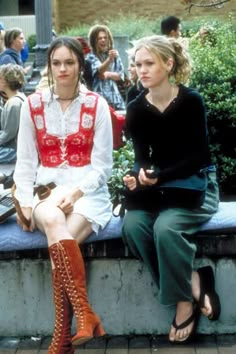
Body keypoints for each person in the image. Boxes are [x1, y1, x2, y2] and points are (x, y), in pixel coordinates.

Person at [13, 36, 113, 353]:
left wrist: (76, 191)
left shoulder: (97, 105)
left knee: (60, 250)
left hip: (89, 192)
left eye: (69, 62)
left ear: (80, 66)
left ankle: (61, 337)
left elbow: (103, 167)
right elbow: (26, 161)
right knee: (55, 220)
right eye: (56, 62)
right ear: (49, 65)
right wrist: (26, 204)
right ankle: (85, 314)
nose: (62, 69)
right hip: (46, 191)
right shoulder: (32, 105)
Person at [122, 35, 221, 344]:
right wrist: (139, 175)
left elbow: (199, 157)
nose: (142, 70)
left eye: (149, 63)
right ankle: (193, 280)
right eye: (138, 64)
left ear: (169, 63)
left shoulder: (191, 101)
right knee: (134, 227)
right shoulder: (136, 106)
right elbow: (140, 154)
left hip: (195, 184)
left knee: (166, 229)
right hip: (160, 187)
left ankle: (182, 303)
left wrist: (160, 175)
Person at [86, 24, 125, 110]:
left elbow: (120, 75)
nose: (103, 40)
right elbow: (99, 71)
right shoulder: (90, 57)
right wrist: (109, 60)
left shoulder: (114, 55)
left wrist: (107, 74)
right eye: (99, 38)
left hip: (115, 100)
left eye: (105, 38)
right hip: (98, 100)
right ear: (94, 41)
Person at [0, 64, 26, 164]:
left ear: (6, 82)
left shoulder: (14, 104)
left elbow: (8, 134)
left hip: (14, 149)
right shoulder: (16, 99)